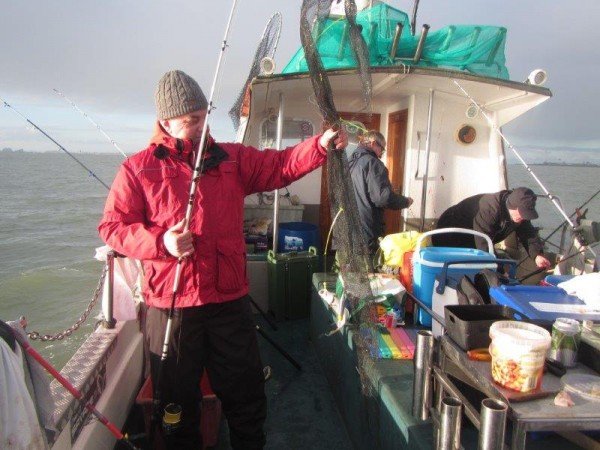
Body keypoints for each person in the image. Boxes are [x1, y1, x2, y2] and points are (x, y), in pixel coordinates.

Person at [98, 69, 347, 450]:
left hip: (229, 300)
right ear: (165, 122)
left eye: (202, 117)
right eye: (190, 120)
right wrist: (161, 241)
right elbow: (113, 228)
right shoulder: (137, 169)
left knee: (246, 391)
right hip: (172, 305)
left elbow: (280, 165)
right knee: (176, 402)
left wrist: (319, 146)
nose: (200, 126)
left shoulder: (231, 158)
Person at [431, 187, 552, 269]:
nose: (523, 217)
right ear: (512, 207)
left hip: (474, 237)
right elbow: (483, 244)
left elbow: (528, 232)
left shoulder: (518, 214)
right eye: (521, 213)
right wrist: (499, 270)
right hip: (449, 235)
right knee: (472, 266)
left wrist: (537, 255)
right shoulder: (489, 208)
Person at [349, 130, 413, 256]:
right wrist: (405, 201)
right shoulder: (373, 163)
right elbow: (382, 198)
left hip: (348, 227)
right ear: (373, 143)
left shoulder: (350, 161)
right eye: (381, 149)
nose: (381, 154)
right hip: (366, 229)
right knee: (369, 269)